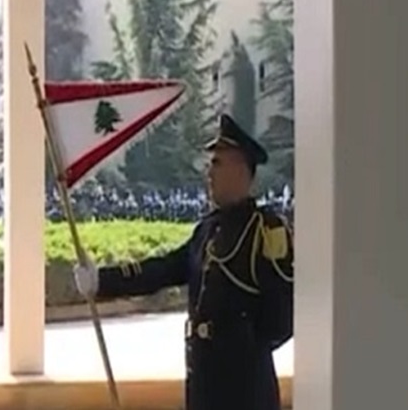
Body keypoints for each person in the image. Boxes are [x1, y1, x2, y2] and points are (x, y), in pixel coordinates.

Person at [73, 115, 294, 410]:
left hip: (245, 388)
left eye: (217, 163)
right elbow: (164, 269)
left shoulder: (264, 232)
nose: (209, 173)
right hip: (203, 382)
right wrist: (102, 280)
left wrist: (242, 346)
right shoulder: (207, 230)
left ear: (242, 169)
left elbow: (281, 319)